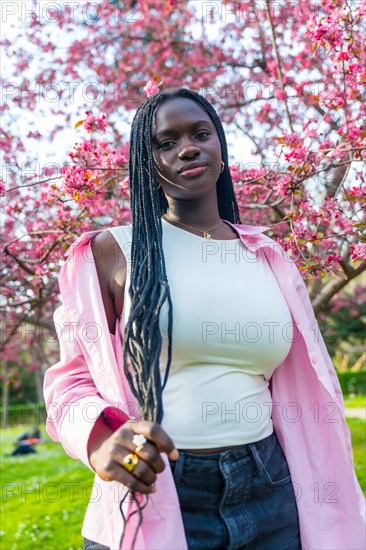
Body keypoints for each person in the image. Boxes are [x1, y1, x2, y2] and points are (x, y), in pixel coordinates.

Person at [43, 88, 365, 550]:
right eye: (165, 142)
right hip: (159, 488)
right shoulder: (113, 252)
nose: (187, 148)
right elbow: (70, 379)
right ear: (145, 163)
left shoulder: (269, 257)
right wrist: (97, 442)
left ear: (221, 147)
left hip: (270, 489)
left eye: (200, 134)